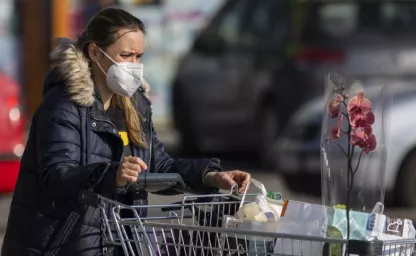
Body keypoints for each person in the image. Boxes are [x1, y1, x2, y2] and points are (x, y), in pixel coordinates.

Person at [1, 7, 251, 256]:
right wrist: (113, 174)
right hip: (60, 246)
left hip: (118, 242)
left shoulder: (136, 105)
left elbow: (158, 166)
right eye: (126, 55)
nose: (134, 66)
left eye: (139, 56)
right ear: (95, 52)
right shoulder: (64, 106)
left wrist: (210, 176)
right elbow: (56, 177)